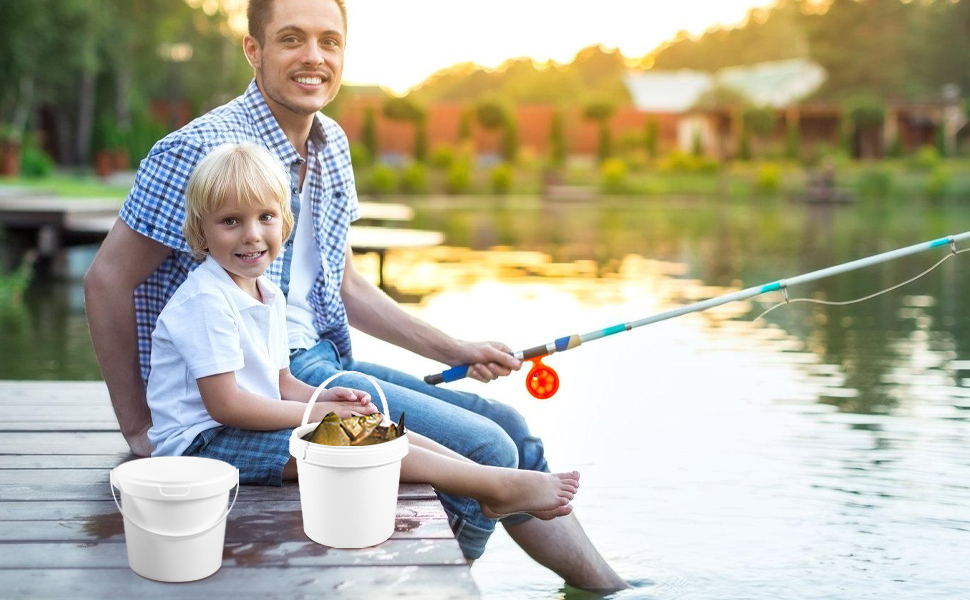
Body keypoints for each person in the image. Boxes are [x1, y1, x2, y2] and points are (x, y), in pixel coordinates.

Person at [83, 0, 626, 591]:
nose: (314, 57)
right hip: (245, 381)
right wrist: (138, 428)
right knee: (486, 447)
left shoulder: (332, 144)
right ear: (253, 50)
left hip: (309, 362)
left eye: (329, 41)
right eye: (292, 39)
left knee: (512, 430)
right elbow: (107, 280)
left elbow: (340, 283)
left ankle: (609, 588)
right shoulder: (203, 151)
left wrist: (456, 349)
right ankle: (435, 583)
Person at [147, 142, 581, 518]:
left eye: (266, 217)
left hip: (240, 426)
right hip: (201, 448)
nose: (252, 235)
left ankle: (488, 482)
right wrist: (319, 415)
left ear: (285, 223)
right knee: (356, 439)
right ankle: (496, 488)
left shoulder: (268, 293)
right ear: (201, 230)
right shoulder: (207, 299)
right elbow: (226, 405)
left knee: (373, 422)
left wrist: (324, 399)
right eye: (230, 221)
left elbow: (280, 383)